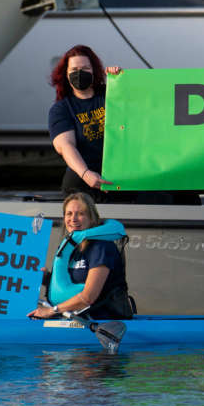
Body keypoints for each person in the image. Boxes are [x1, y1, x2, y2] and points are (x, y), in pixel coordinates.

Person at [29, 192, 133, 320]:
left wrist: (52, 310)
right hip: (72, 319)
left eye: (80, 213)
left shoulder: (101, 247)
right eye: (69, 214)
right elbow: (68, 285)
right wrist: (47, 279)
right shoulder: (70, 249)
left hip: (103, 323)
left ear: (91, 218)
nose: (73, 219)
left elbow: (88, 297)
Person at [48, 44, 118, 201]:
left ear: (94, 71)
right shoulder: (61, 109)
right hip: (81, 183)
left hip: (118, 179)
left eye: (86, 68)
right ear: (65, 74)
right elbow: (66, 146)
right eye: (74, 70)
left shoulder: (111, 95)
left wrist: (119, 79)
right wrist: (85, 173)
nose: (79, 74)